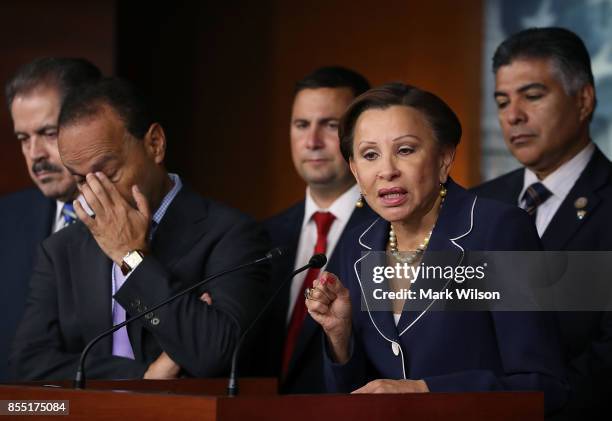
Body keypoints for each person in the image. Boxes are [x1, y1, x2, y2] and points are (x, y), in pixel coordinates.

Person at [305, 82, 568, 415]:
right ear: (355, 170)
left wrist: (424, 391)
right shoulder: (357, 246)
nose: (387, 171)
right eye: (370, 155)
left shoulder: (497, 232)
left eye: (406, 150)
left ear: (444, 158)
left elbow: (544, 386)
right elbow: (353, 400)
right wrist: (340, 338)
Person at [9, 77, 269, 381]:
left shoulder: (232, 234)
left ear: (155, 144)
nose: (96, 193)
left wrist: (130, 256)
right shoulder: (61, 248)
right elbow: (27, 365)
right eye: (81, 181)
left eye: (107, 173)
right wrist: (144, 374)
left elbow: (218, 355)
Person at [473, 27, 612, 418]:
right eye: (502, 101)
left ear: (583, 100)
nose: (513, 115)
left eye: (532, 96)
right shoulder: (476, 204)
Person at [263, 66, 375, 393]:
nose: (312, 141)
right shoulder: (264, 235)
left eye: (329, 125)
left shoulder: (392, 230)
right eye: (301, 125)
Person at [0, 57, 101, 381]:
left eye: (48, 132)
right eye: (23, 139)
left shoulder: (147, 217)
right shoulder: (6, 221)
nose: (35, 154)